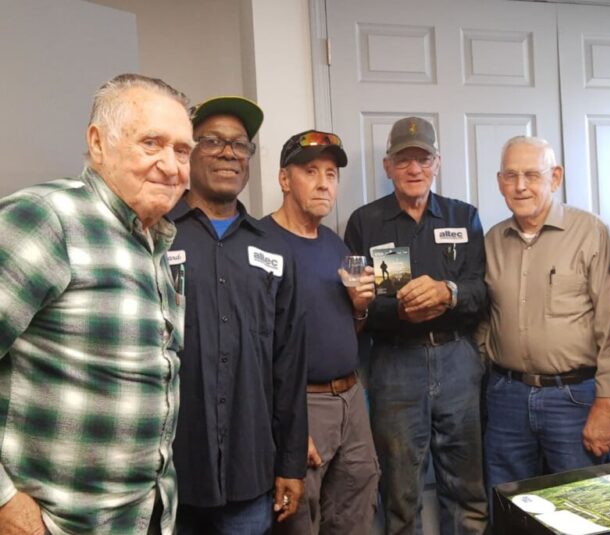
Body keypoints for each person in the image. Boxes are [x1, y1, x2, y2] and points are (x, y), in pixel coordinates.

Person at [0, 73, 191, 534]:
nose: (171, 165)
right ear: (98, 143)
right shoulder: (45, 219)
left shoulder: (155, 239)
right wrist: (4, 503)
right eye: (152, 143)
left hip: (145, 516)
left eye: (183, 150)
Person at [169, 97, 307, 534]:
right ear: (188, 151)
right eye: (211, 141)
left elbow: (289, 362)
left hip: (250, 473)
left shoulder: (274, 247)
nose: (229, 152)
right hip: (172, 475)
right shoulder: (156, 235)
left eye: (240, 145)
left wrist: (291, 464)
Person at [344, 117, 488, 534]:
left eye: (422, 159)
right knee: (401, 491)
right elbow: (357, 306)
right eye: (403, 160)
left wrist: (449, 293)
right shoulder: (365, 223)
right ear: (388, 167)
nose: (413, 169)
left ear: (437, 163)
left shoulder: (464, 217)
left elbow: (481, 292)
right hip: (394, 363)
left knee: (466, 488)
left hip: (458, 359)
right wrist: (400, 313)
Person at [477, 136, 610, 503]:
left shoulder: (591, 232)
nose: (520, 186)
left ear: (555, 178)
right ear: (499, 181)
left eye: (531, 175)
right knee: (511, 507)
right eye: (510, 176)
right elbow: (483, 317)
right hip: (507, 397)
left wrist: (607, 402)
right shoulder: (492, 241)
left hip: (574, 398)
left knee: (589, 506)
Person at [265, 129, 380, 535]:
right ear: (284, 179)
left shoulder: (335, 245)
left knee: (355, 515)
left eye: (331, 174)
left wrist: (361, 309)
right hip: (304, 405)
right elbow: (255, 348)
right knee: (299, 521)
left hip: (352, 398)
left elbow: (348, 325)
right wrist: (289, 430)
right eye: (310, 171)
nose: (323, 183)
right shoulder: (261, 245)